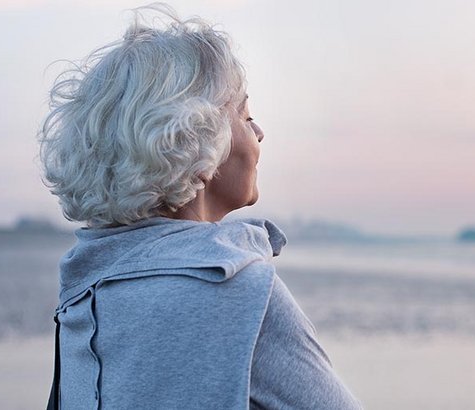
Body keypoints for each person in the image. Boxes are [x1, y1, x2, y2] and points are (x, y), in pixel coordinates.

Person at [37, 3, 363, 409]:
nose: (259, 133)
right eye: (245, 116)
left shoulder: (85, 292)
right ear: (194, 141)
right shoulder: (243, 293)